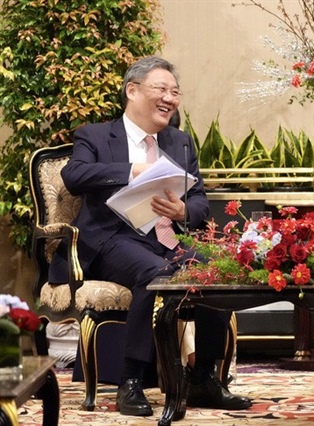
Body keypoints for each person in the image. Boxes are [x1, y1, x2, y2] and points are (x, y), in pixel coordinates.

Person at [48, 56, 252, 416]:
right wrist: (132, 170)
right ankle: (131, 380)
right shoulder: (95, 135)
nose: (170, 99)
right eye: (161, 89)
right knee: (153, 274)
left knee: (220, 273)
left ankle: (203, 377)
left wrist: (184, 211)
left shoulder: (179, 141)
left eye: (175, 92)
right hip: (113, 239)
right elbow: (74, 176)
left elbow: (199, 198)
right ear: (132, 90)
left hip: (166, 238)